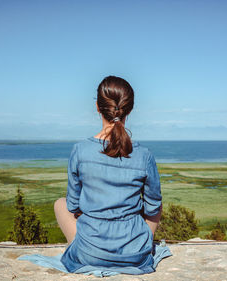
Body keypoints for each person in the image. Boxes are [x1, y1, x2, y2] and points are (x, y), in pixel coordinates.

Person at [53, 75, 165, 274]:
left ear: (97, 107)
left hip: (90, 253)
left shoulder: (80, 150)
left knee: (59, 204)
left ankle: (92, 250)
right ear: (129, 109)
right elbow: (153, 207)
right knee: (155, 202)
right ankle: (142, 245)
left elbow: (73, 205)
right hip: (135, 252)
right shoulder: (144, 155)